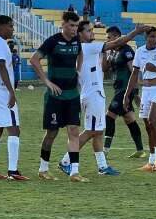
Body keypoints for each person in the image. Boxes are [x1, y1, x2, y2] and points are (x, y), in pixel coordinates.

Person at [58, 21, 148, 176]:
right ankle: (65, 161)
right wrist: (135, 32)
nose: (92, 33)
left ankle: (102, 166)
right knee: (92, 131)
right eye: (89, 31)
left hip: (93, 93)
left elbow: (103, 67)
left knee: (98, 131)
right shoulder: (86, 47)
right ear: (80, 34)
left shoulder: (85, 49)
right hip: (93, 94)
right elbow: (118, 42)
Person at [29, 11, 87, 182]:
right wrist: (47, 82)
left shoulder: (77, 41)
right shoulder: (52, 41)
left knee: (74, 131)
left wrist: (78, 71)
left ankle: (74, 172)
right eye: (71, 25)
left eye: (76, 26)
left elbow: (80, 54)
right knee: (52, 133)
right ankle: (43, 169)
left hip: (72, 95)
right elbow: (34, 59)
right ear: (63, 24)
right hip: (55, 96)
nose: (74, 29)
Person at [124, 27, 156, 172]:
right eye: (152, 36)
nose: (154, 39)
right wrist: (127, 95)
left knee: (153, 122)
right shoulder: (140, 52)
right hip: (145, 91)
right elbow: (134, 74)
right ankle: (151, 161)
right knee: (147, 126)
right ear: (145, 38)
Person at [0, 15, 29, 181]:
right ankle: (13, 171)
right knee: (14, 128)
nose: (12, 29)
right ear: (1, 27)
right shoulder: (0, 43)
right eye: (10, 26)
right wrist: (12, 91)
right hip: (1, 91)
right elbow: (1, 66)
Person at [103, 26, 146, 159]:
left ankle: (105, 150)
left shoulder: (127, 51)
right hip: (118, 89)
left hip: (125, 90)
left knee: (109, 116)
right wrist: (104, 53)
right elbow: (105, 69)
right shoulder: (114, 52)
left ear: (117, 37)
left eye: (109, 37)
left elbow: (134, 71)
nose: (108, 40)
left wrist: (135, 92)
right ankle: (140, 150)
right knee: (129, 119)